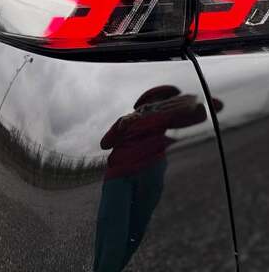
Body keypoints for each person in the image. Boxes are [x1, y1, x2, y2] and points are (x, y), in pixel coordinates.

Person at [93, 85, 223, 272]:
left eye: (165, 100)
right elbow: (105, 143)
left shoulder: (166, 115)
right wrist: (121, 123)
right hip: (118, 176)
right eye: (156, 100)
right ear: (143, 103)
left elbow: (211, 110)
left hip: (151, 173)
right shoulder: (128, 120)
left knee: (135, 231)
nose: (158, 104)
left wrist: (196, 103)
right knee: (111, 230)